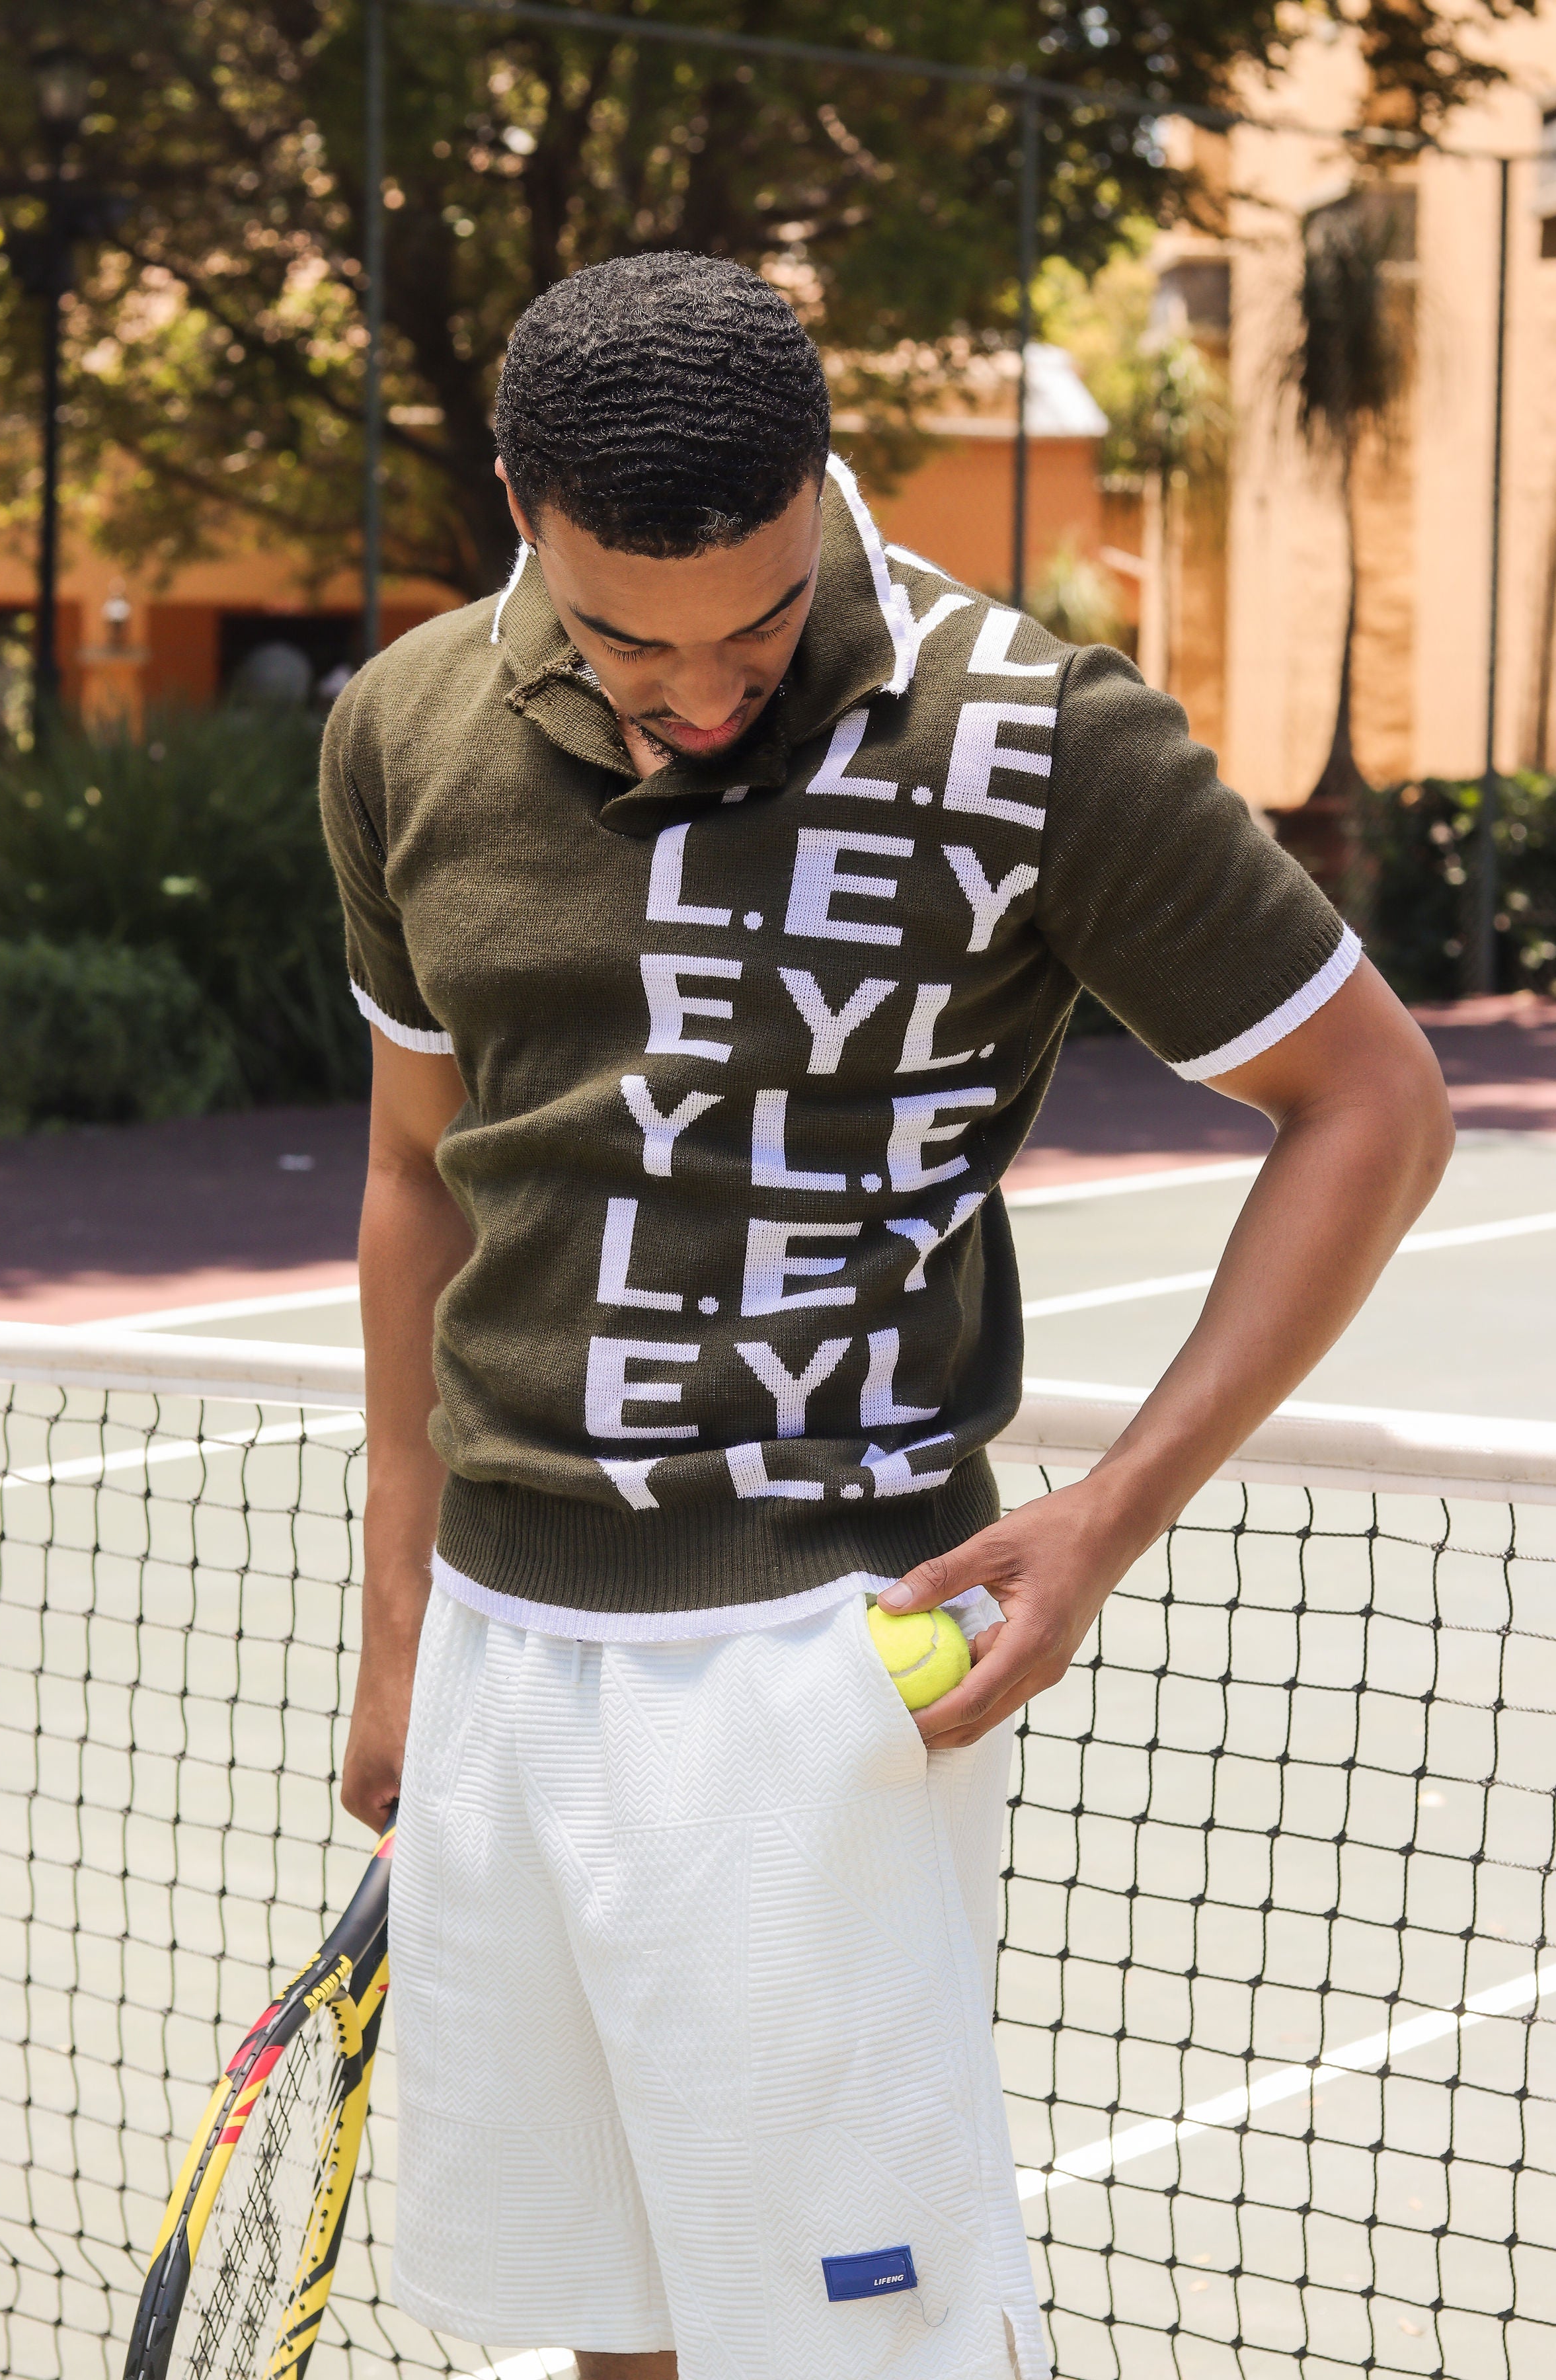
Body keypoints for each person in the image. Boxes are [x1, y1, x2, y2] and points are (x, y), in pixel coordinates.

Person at [320, 252, 1452, 2380]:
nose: (707, 683)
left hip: (820, 1649)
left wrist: (1109, 1513)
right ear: (516, 507)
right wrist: (398, 1627)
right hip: (498, 1641)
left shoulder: (1035, 731)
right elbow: (411, 1172)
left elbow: (1374, 1105)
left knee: (860, 2351)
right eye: (625, 635)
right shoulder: (401, 728)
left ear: (822, 486)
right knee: (608, 2315)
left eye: (753, 619)